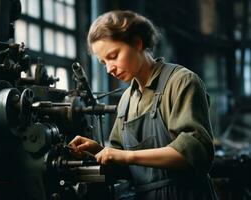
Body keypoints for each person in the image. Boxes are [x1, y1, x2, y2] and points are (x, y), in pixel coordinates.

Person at [69, 10, 218, 200]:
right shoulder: (126, 101)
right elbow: (123, 167)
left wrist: (129, 156)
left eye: (113, 56)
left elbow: (195, 154)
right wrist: (97, 150)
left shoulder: (181, 82)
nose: (109, 69)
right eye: (103, 62)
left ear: (137, 43)